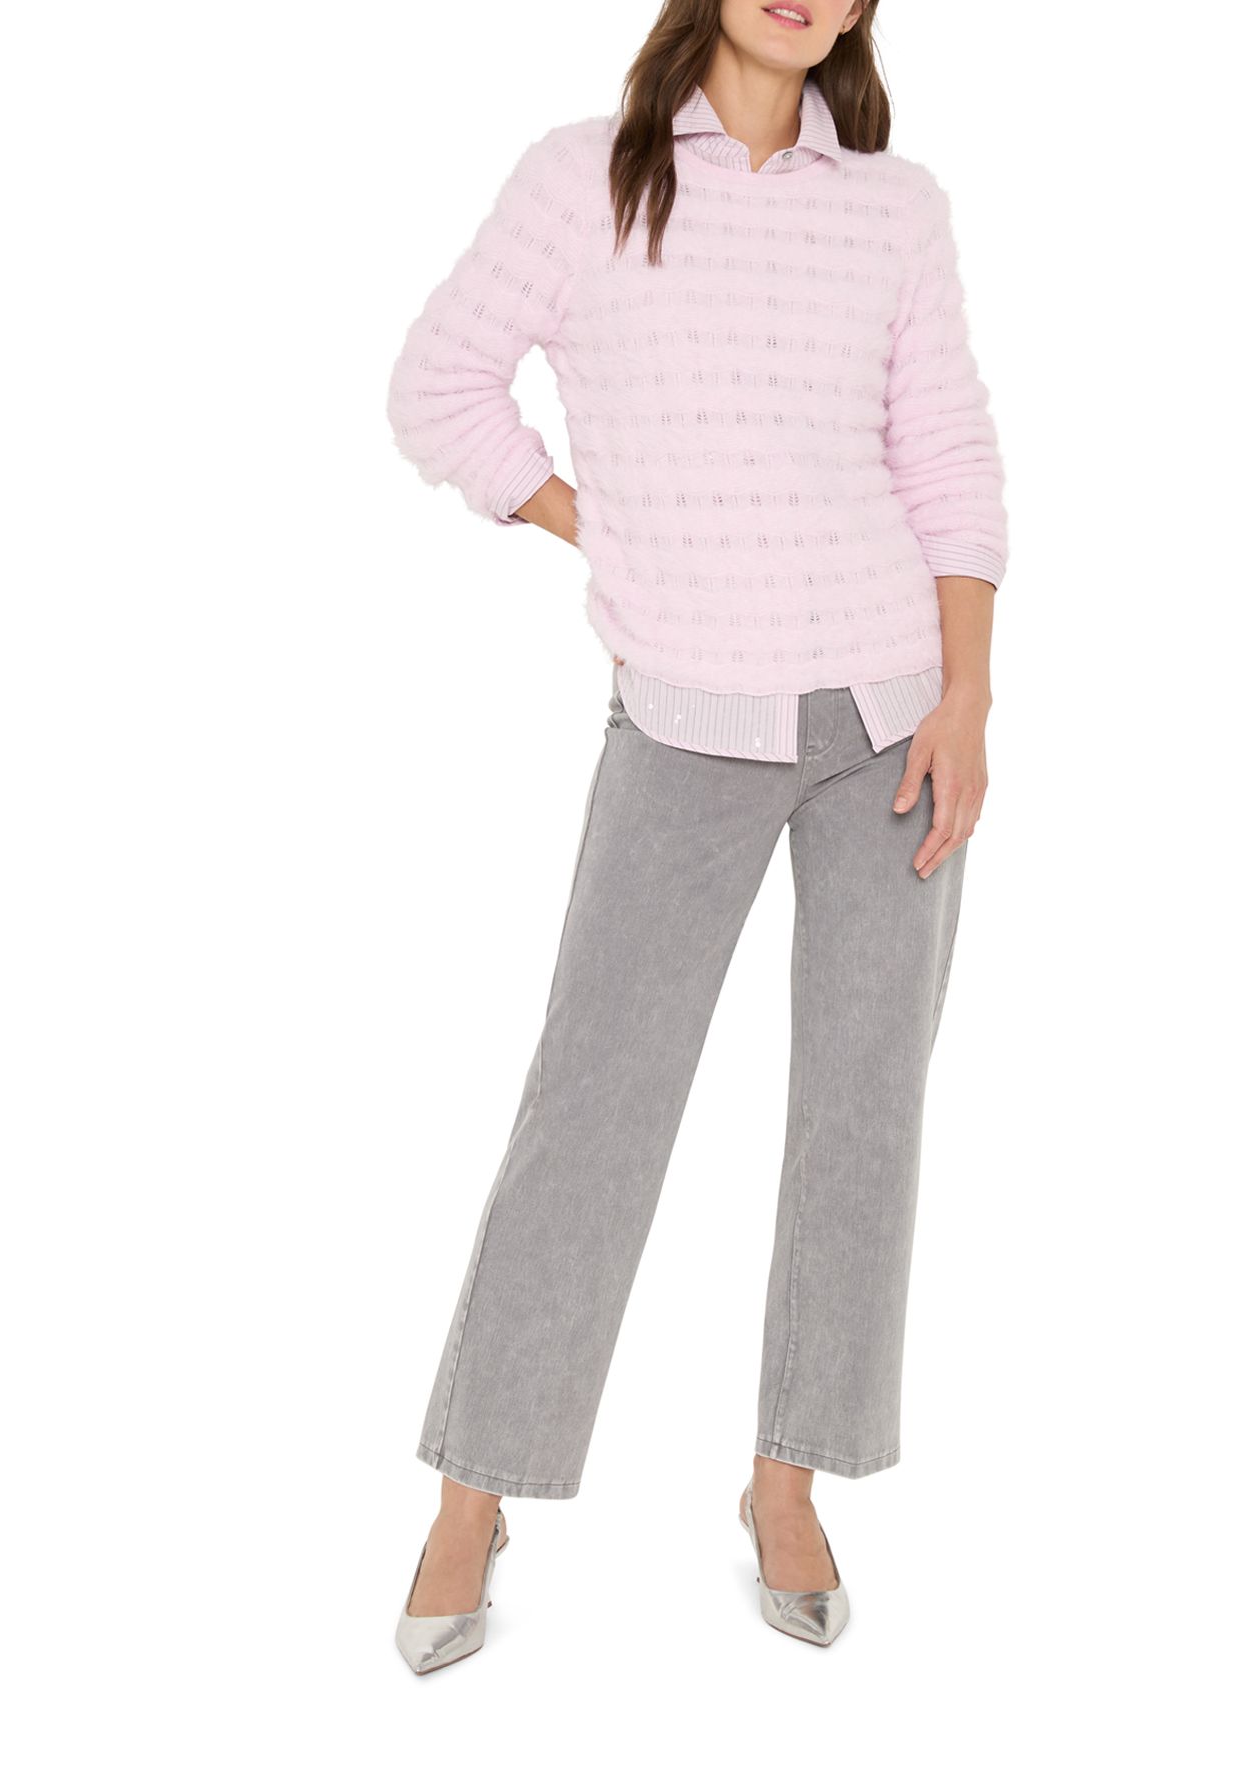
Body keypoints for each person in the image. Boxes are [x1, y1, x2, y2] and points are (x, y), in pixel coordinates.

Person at [385, 0, 1007, 1671]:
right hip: (681, 718)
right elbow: (437, 385)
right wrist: (592, 521)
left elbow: (948, 452)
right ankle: (473, 1490)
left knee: (863, 1114)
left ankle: (786, 1478)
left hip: (891, 721)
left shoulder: (896, 208)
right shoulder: (588, 178)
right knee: (592, 1111)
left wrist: (967, 694)